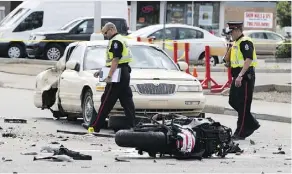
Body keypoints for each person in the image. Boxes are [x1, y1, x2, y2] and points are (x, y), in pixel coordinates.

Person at [82, 22, 136, 133]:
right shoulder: (121, 39)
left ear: (111, 29)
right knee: (127, 102)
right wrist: (102, 71)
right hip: (124, 73)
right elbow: (114, 62)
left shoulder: (115, 41)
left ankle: (95, 127)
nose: (105, 35)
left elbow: (116, 60)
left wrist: (109, 76)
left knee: (106, 101)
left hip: (117, 74)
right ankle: (133, 126)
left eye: (106, 33)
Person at [223, 21, 260, 140]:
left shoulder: (245, 42)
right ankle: (252, 123)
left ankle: (240, 132)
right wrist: (229, 63)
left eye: (232, 31)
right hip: (238, 76)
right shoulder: (236, 42)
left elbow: (248, 59)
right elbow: (235, 60)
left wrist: (240, 75)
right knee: (233, 101)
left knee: (243, 105)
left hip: (245, 77)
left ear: (238, 30)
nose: (231, 34)